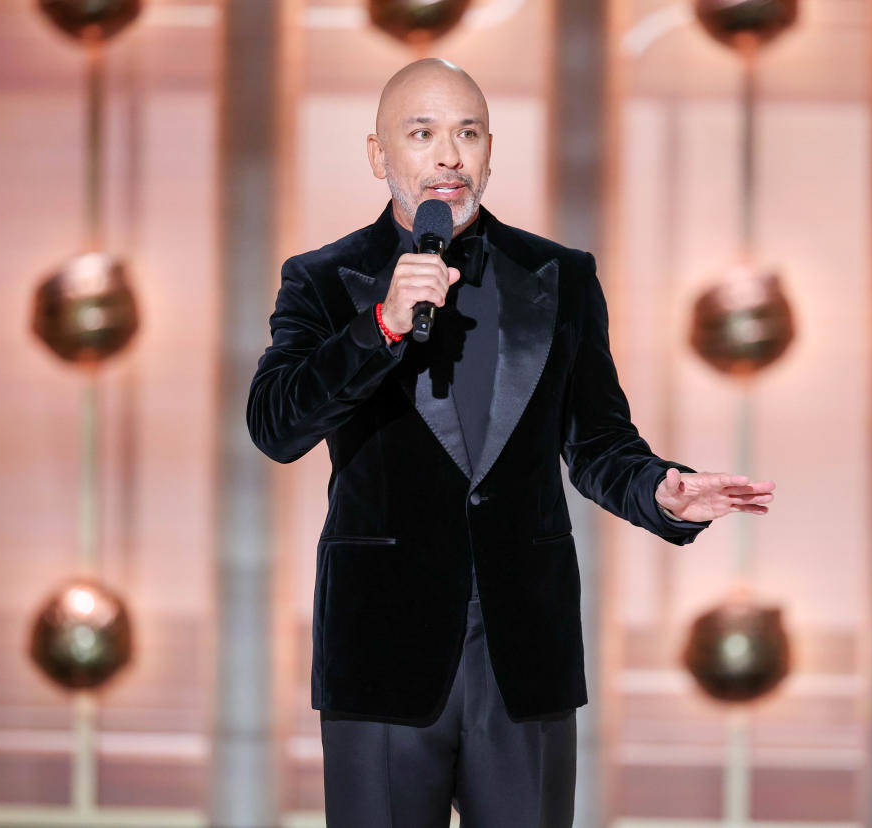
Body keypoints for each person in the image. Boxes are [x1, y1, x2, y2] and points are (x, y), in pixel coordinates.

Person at [247, 58, 775, 828]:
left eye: (468, 133)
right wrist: (381, 326)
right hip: (382, 654)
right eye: (422, 133)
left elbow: (596, 441)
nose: (448, 156)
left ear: (491, 151)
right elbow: (275, 423)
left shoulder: (560, 276)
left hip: (523, 653)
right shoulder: (325, 281)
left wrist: (663, 489)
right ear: (378, 155)